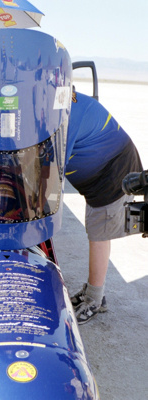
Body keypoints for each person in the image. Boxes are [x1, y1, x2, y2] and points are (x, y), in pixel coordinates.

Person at [65, 89, 143, 324]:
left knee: (99, 233)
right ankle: (93, 291)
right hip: (105, 172)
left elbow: (49, 164)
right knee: (101, 228)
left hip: (113, 171)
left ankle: (94, 301)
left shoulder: (65, 116)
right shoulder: (62, 102)